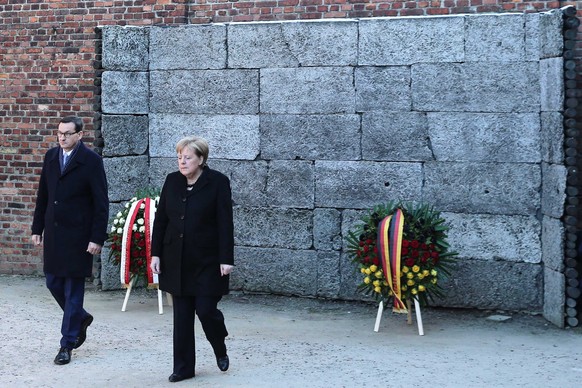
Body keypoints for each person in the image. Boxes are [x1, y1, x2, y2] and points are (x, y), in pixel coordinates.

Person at [150, 136, 234, 383]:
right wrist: (156, 253)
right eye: (179, 157)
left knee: (206, 310)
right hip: (176, 259)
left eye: (187, 157)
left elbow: (225, 223)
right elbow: (162, 220)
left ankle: (219, 344)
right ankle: (184, 368)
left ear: (201, 159)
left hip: (207, 260)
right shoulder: (172, 181)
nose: (182, 162)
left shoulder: (218, 182)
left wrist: (226, 258)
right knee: (182, 316)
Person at [31, 116, 109, 365]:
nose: (62, 137)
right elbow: (43, 194)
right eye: (59, 133)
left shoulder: (91, 162)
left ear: (79, 135)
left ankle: (67, 344)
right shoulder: (51, 157)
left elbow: (101, 203)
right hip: (54, 234)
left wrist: (97, 238)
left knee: (73, 290)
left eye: (67, 133)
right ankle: (81, 317)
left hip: (79, 236)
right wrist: (37, 227)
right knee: (53, 282)